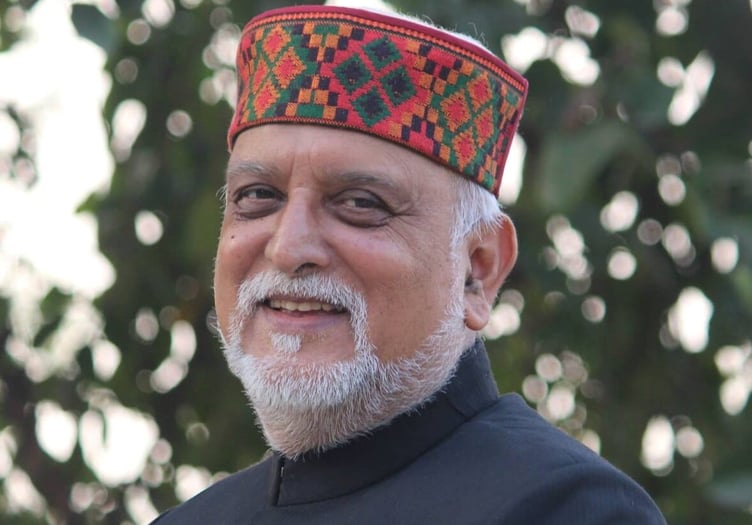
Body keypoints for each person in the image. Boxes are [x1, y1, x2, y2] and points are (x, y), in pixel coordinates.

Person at [153, 4, 666, 524]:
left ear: (478, 270)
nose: (288, 248)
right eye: (258, 196)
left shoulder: (568, 509)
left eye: (360, 203)